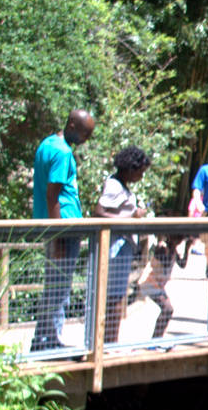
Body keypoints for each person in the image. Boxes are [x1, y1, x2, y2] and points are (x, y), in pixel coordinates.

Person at [31, 109, 95, 352]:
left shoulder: (47, 144)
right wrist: (57, 236)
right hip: (63, 228)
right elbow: (52, 195)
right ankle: (51, 342)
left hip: (55, 226)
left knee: (54, 285)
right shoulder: (62, 152)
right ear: (71, 125)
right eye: (84, 133)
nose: (86, 138)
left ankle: (42, 341)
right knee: (59, 288)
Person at [91, 145, 151, 344]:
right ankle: (109, 343)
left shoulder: (121, 186)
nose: (141, 177)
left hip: (122, 247)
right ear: (130, 168)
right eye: (140, 172)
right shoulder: (114, 185)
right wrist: (131, 215)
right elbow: (99, 212)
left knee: (116, 295)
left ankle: (108, 342)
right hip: (115, 247)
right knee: (115, 296)